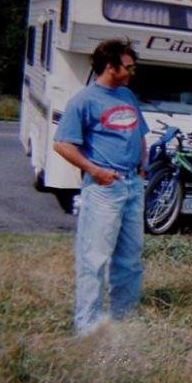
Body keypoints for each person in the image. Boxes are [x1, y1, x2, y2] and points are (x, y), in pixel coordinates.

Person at [53, 39, 149, 335]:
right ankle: (88, 326)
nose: (132, 71)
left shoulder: (127, 95)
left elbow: (139, 132)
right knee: (94, 258)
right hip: (104, 189)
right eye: (128, 66)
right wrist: (95, 171)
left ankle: (124, 319)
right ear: (110, 67)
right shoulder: (84, 101)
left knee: (130, 258)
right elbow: (62, 144)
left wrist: (142, 163)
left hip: (132, 185)